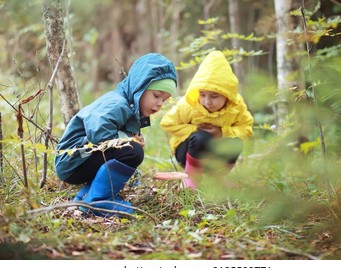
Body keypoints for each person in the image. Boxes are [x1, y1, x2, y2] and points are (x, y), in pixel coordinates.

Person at [55, 53, 177, 216]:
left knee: (130, 148)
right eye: (156, 95)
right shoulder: (117, 103)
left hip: (79, 159)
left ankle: (85, 197)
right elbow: (98, 132)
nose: (159, 103)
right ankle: (100, 201)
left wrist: (128, 137)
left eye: (165, 99)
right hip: (73, 161)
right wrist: (127, 140)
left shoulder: (129, 105)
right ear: (140, 87)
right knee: (132, 150)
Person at [160, 50, 253, 189]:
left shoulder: (236, 106)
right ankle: (191, 178)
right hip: (188, 153)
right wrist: (195, 129)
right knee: (200, 137)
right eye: (202, 95)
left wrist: (222, 132)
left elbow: (246, 128)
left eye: (214, 96)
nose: (207, 101)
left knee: (236, 143)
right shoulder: (189, 105)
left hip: (216, 154)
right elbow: (167, 123)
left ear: (227, 95)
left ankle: (219, 177)